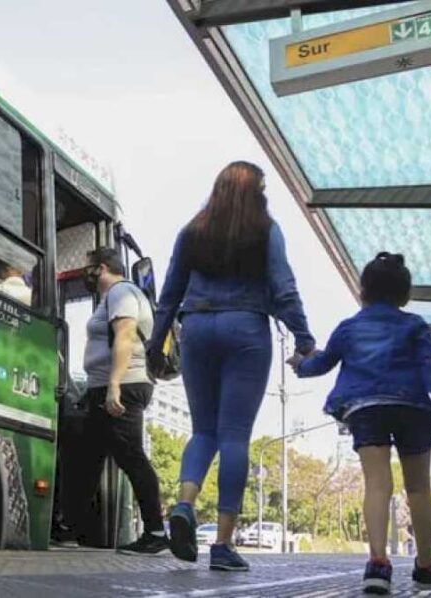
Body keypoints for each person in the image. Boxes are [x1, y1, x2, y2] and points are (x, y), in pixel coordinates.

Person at [147, 161, 315, 571]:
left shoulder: (193, 231)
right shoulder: (266, 230)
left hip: (198, 328)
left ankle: (184, 505)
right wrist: (304, 337)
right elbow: (284, 286)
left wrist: (155, 345)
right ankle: (222, 545)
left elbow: (169, 294)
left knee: (202, 430)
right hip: (246, 330)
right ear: (257, 191)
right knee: (235, 436)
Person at [291, 252, 431, 594]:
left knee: (377, 485)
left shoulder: (349, 327)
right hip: (413, 407)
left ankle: (378, 565)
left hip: (366, 408)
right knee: (419, 489)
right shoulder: (415, 325)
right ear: (405, 295)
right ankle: (425, 566)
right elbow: (430, 366)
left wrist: (299, 364)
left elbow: (321, 363)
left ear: (362, 290)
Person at [58, 247, 166, 555]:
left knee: (131, 457)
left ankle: (156, 532)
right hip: (103, 386)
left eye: (89, 269)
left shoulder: (121, 292)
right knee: (85, 456)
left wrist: (114, 386)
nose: (85, 275)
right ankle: (77, 528)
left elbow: (125, 336)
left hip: (123, 384)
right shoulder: (112, 297)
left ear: (102, 268)